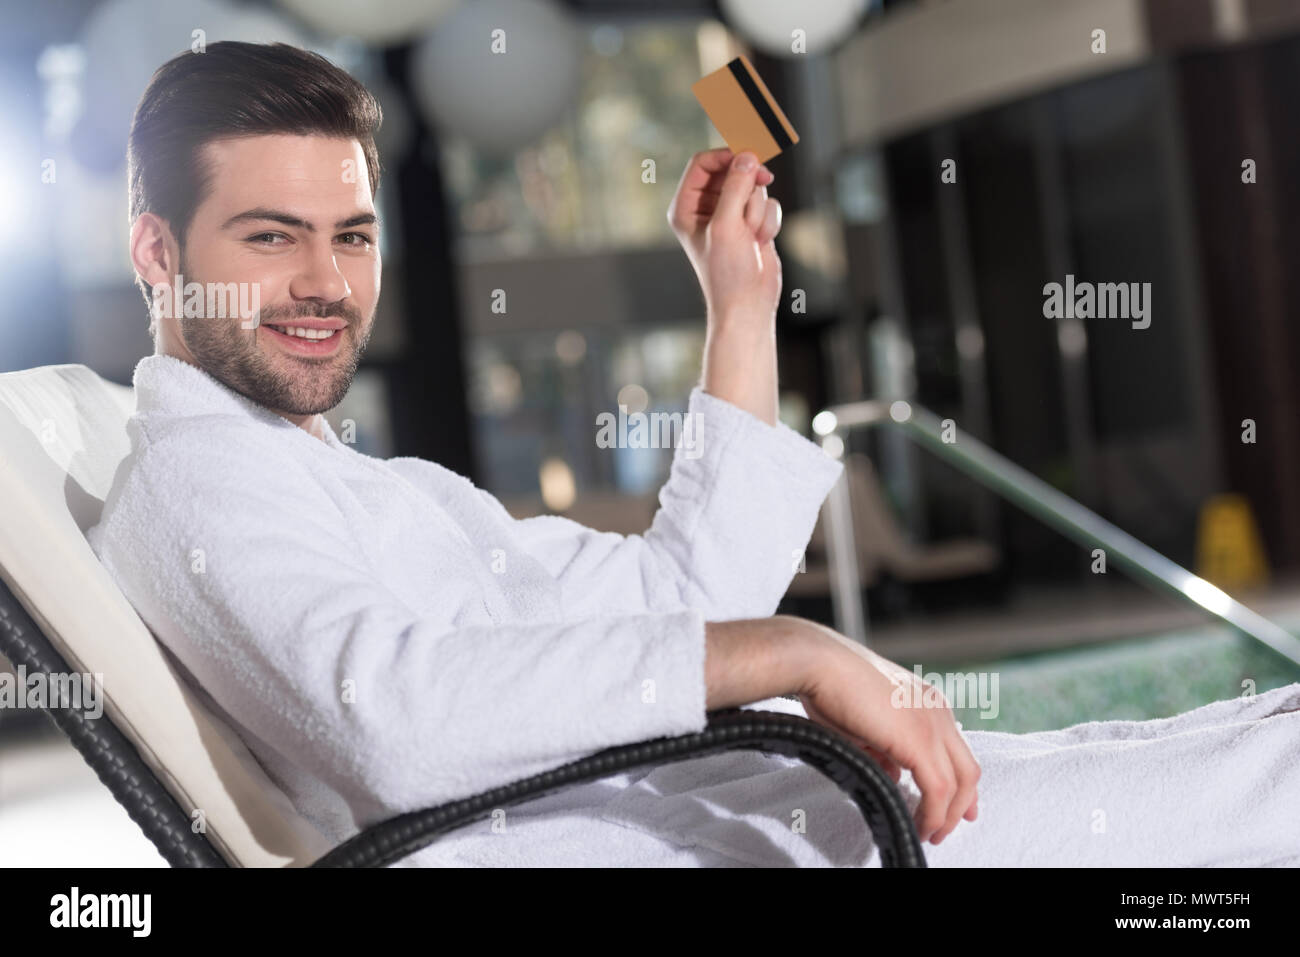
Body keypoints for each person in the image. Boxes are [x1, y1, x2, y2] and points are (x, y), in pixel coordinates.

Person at [87, 39, 975, 867]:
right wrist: (795, 652)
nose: (327, 282)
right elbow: (396, 724)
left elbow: (691, 601)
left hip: (776, 814)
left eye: (352, 235)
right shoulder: (196, 475)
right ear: (158, 253)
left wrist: (738, 303)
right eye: (272, 235)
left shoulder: (382, 489)